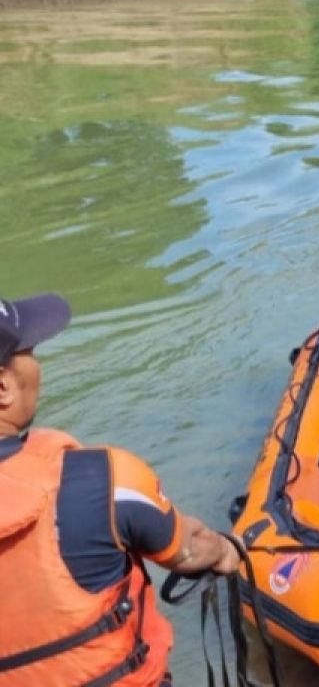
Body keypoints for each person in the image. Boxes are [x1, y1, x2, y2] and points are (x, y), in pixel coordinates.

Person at [0, 293, 241, 687]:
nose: (38, 363)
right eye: (29, 351)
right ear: (3, 386)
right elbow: (189, 549)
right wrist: (230, 551)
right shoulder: (104, 481)